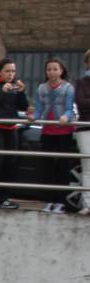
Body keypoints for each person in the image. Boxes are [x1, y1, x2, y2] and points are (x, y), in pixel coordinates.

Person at [0, 58, 30, 210]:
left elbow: (23, 107)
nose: (10, 74)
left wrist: (21, 92)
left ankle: (5, 198)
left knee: (10, 163)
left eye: (13, 71)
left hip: (10, 128)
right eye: (7, 71)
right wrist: (3, 92)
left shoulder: (14, 88)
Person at [33, 58, 76, 214]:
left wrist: (65, 116)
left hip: (63, 131)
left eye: (55, 69)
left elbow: (70, 108)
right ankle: (48, 200)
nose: (52, 72)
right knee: (47, 167)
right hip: (47, 131)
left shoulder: (68, 88)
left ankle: (60, 201)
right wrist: (33, 117)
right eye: (49, 69)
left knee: (62, 168)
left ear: (61, 71)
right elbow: (39, 109)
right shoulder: (42, 88)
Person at [75, 49, 90, 215]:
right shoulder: (81, 82)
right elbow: (82, 103)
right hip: (85, 128)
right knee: (87, 168)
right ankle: (87, 204)